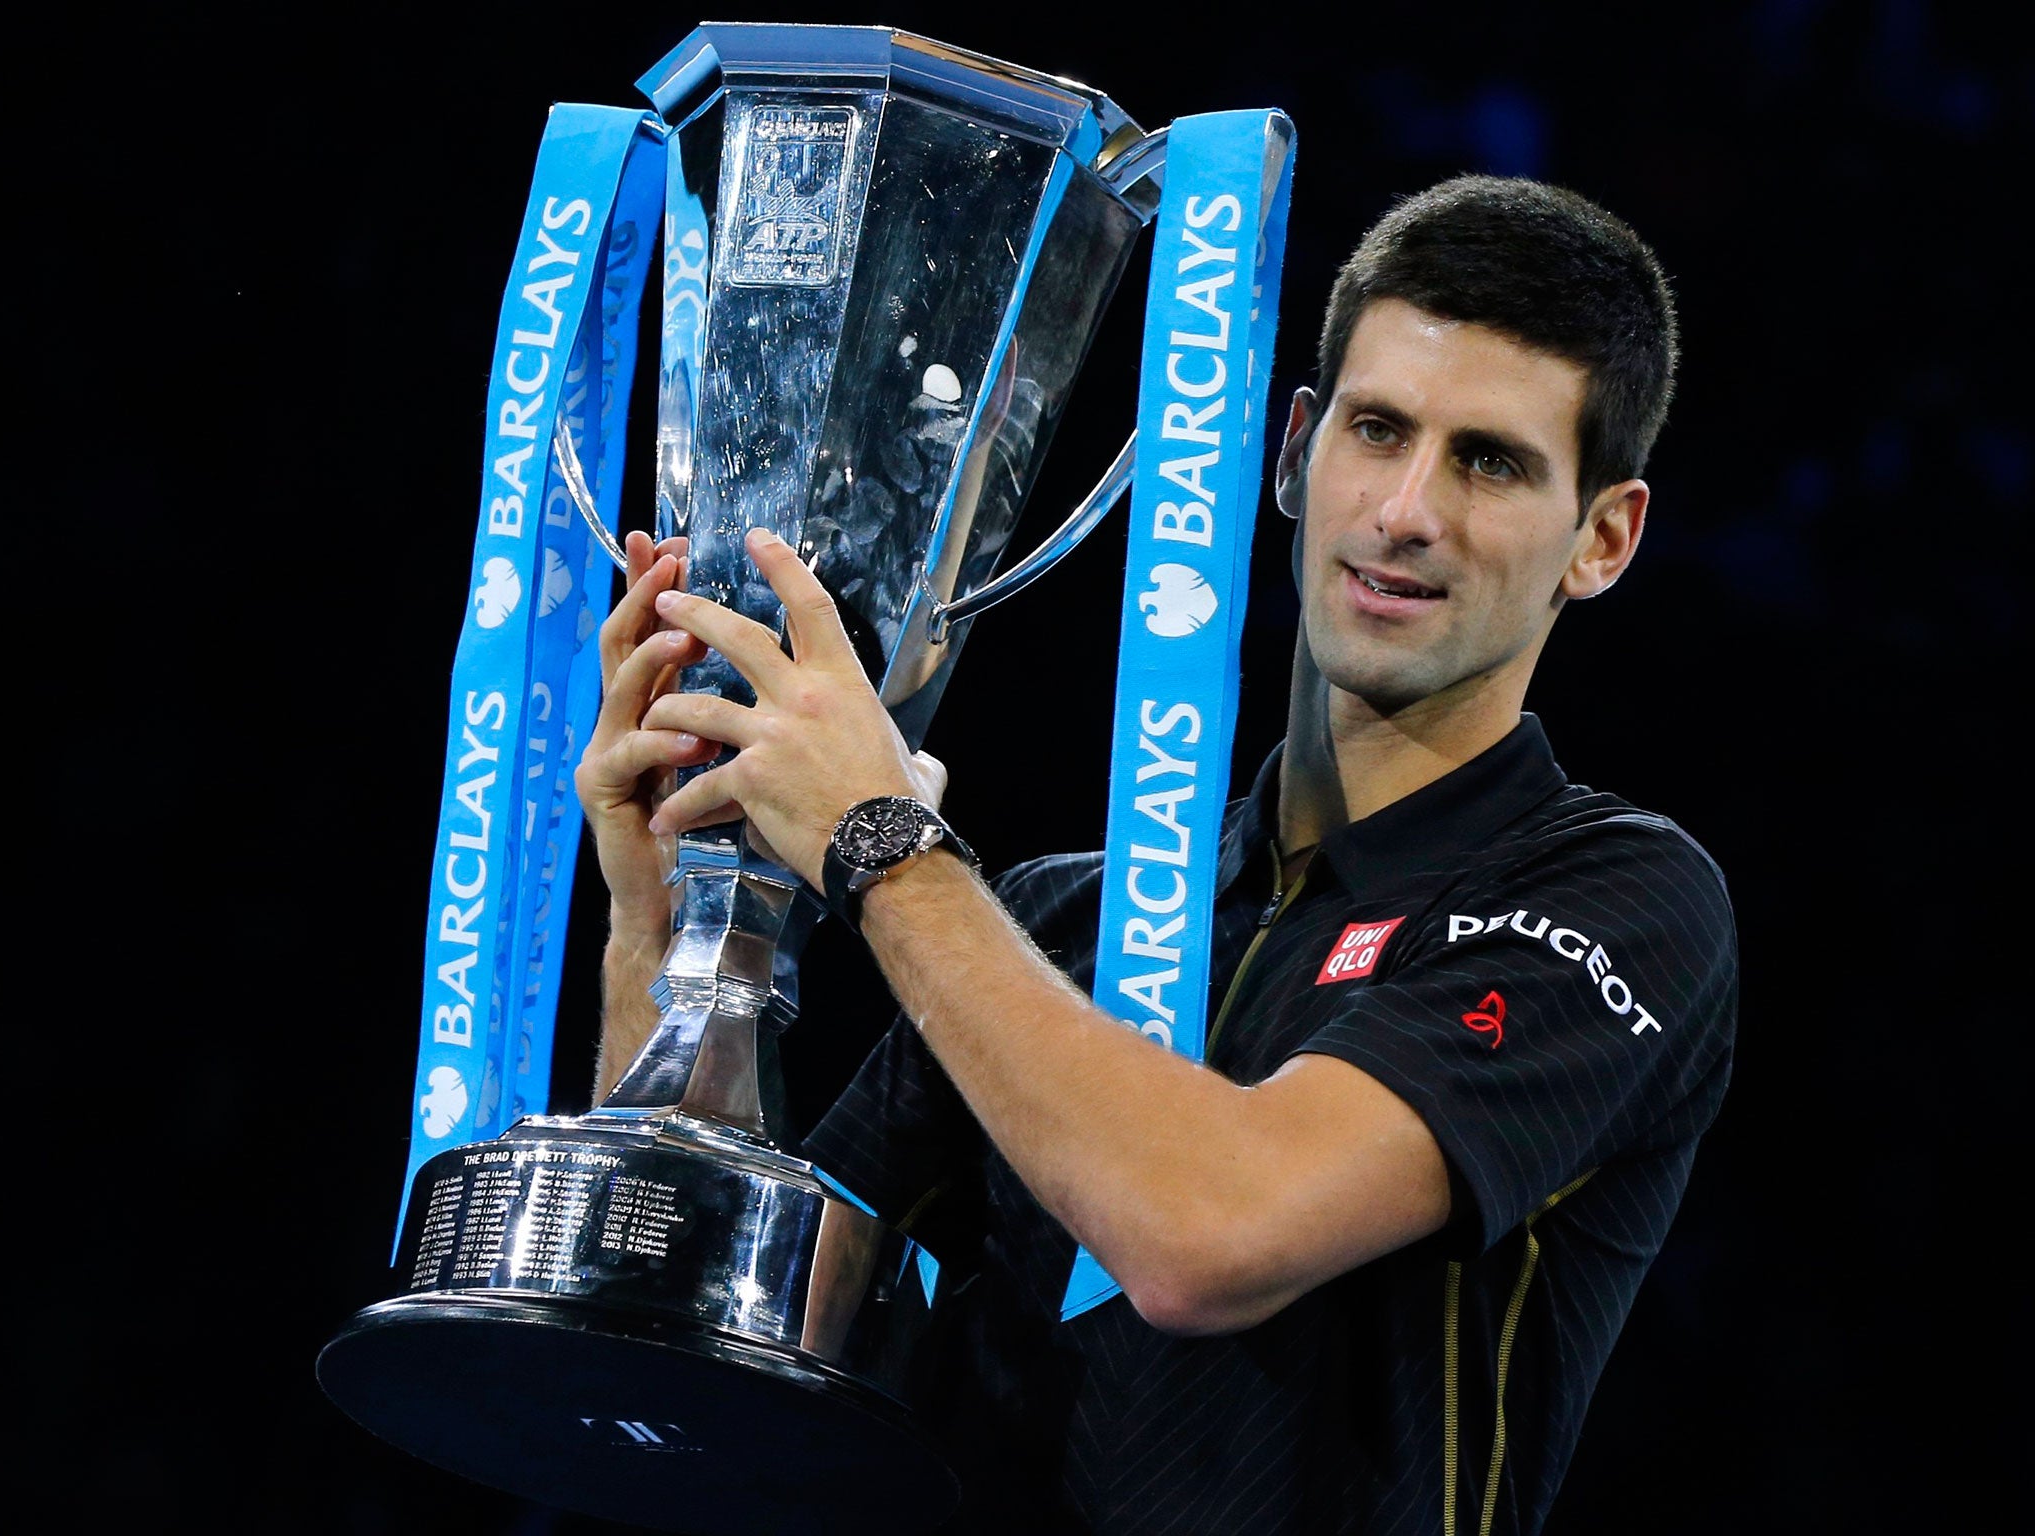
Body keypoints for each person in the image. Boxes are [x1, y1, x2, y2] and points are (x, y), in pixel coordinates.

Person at [577, 175, 1737, 1536]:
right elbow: (742, 1341)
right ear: (1297, 452)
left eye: (1490, 461)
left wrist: (877, 844)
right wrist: (674, 917)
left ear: (1600, 539)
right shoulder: (1049, 921)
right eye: (1377, 430)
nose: (1408, 510)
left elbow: (1207, 1238)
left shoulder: (1614, 899)